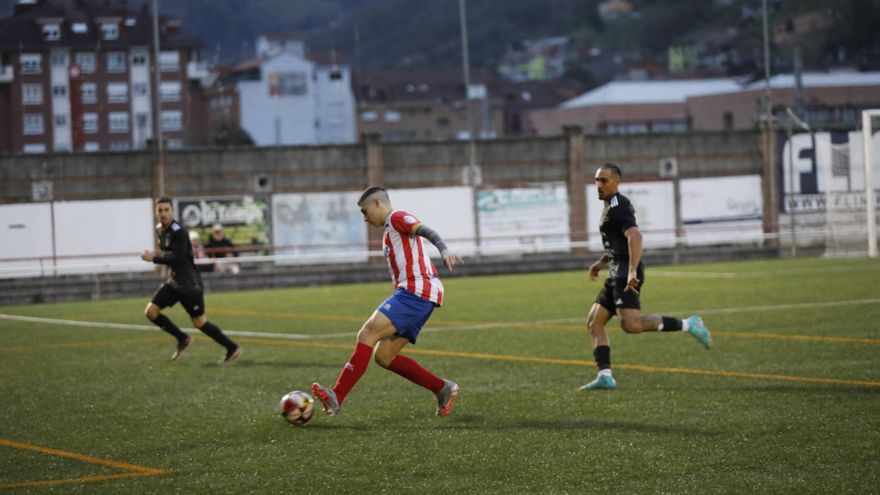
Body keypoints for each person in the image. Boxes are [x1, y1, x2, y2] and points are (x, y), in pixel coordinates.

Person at [312, 186, 463, 417]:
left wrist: (443, 249)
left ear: (377, 204)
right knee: (383, 357)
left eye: (365, 212)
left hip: (416, 290)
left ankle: (336, 395)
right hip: (421, 295)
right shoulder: (389, 229)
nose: (365, 218)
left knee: (367, 334)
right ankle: (442, 388)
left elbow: (426, 230)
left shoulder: (396, 217)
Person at [582, 163, 713, 390]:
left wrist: (632, 270)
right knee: (594, 322)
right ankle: (605, 376)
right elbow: (617, 243)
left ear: (616, 182)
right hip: (615, 270)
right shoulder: (609, 205)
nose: (599, 185)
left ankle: (690, 324)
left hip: (625, 273)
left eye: (604, 180)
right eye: (596, 180)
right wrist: (601, 263)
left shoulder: (619, 205)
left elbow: (635, 237)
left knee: (631, 325)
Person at [141, 197, 243, 364]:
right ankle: (182, 338)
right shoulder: (159, 229)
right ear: (156, 212)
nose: (163, 214)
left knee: (199, 322)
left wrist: (153, 258)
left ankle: (232, 348)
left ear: (172, 211)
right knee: (151, 312)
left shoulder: (179, 231)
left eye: (166, 210)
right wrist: (157, 258)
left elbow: (177, 259)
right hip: (174, 283)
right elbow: (168, 255)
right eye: (160, 210)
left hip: (190, 286)